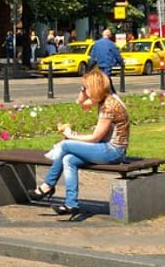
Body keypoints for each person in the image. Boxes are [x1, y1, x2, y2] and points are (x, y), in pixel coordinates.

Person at [31, 68, 130, 217]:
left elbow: (95, 138)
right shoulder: (105, 98)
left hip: (113, 151)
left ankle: (48, 185)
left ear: (94, 88)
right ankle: (71, 204)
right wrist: (83, 93)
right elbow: (82, 102)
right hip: (105, 148)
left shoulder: (109, 106)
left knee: (65, 145)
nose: (83, 90)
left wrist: (71, 136)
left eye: (86, 87)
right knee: (68, 159)